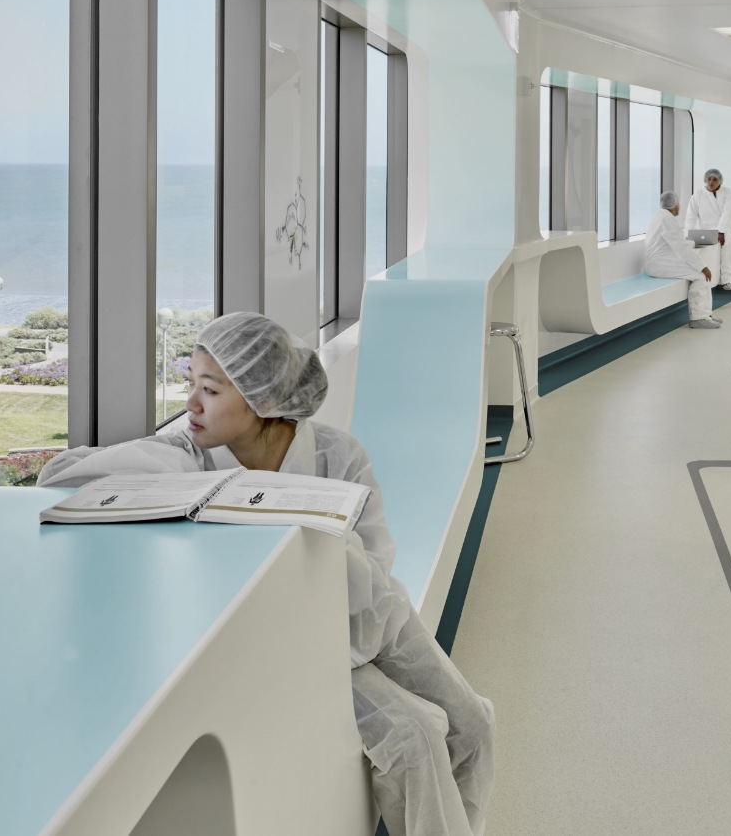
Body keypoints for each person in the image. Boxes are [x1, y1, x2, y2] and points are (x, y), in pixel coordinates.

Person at [38, 313, 494, 836]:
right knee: (413, 735)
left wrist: (307, 529)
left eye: (209, 390)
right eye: (191, 384)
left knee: (474, 725)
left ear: (268, 400)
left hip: (373, 618)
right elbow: (64, 473)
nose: (190, 404)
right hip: (291, 640)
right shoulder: (190, 459)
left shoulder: (337, 456)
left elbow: (373, 583)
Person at [645, 191, 721, 329]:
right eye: (678, 203)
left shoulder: (660, 216)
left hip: (658, 262)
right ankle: (699, 318)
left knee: (699, 273)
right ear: (674, 205)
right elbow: (681, 248)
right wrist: (703, 267)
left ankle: (706, 314)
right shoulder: (668, 219)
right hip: (659, 264)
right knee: (701, 275)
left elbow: (676, 241)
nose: (679, 207)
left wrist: (692, 243)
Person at [685, 168, 731, 307]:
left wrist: (722, 231)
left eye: (715, 179)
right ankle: (726, 280)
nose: (711, 182)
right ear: (705, 180)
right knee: (726, 246)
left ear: (720, 181)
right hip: (710, 231)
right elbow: (690, 217)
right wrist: (689, 236)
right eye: (709, 179)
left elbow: (728, 213)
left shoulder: (727, 193)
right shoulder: (698, 195)